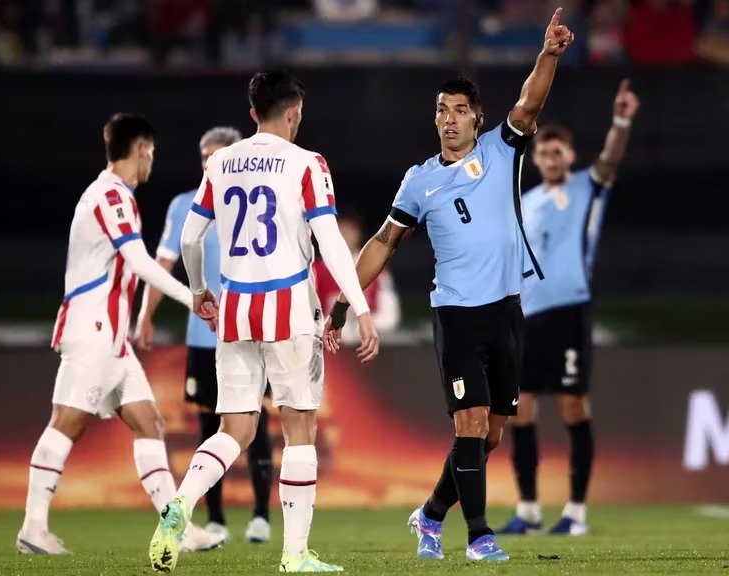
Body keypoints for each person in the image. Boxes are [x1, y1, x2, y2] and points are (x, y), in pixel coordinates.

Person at [324, 8, 575, 562]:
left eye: (460, 111)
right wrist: (344, 299)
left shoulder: (500, 150)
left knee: (489, 436)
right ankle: (480, 537)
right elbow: (384, 243)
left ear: (477, 119)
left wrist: (548, 55)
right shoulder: (420, 180)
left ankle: (432, 514)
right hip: (456, 312)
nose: (450, 119)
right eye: (442, 110)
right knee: (470, 422)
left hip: (507, 308)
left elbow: (530, 103)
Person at [148, 70, 379, 574]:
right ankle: (294, 556)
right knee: (300, 430)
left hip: (234, 306)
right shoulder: (307, 163)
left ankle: (180, 506)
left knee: (235, 428)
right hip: (289, 306)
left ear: (253, 113)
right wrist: (359, 307)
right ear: (294, 112)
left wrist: (199, 289)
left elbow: (190, 239)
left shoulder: (222, 162)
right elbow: (330, 241)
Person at [16, 113, 221, 555]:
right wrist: (194, 296)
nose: (153, 162)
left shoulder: (115, 195)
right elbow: (141, 260)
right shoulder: (110, 195)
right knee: (67, 422)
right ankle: (33, 528)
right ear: (143, 149)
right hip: (92, 328)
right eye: (153, 152)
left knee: (149, 421)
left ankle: (177, 528)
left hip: (110, 335)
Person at [499, 79, 639, 536]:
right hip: (529, 318)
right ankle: (529, 510)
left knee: (574, 407)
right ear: (536, 160)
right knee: (520, 410)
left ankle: (576, 512)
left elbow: (612, 159)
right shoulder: (527, 202)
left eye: (558, 152)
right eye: (544, 153)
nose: (551, 159)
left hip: (570, 312)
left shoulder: (588, 186)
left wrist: (620, 120)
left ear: (570, 157)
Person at [135, 125, 274, 545]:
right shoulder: (184, 205)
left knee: (257, 422)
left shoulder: (253, 201)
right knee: (209, 424)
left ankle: (261, 517)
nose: (211, 164)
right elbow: (161, 264)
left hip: (250, 327)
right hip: (203, 335)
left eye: (219, 156)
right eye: (204, 158)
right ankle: (213, 520)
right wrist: (146, 315)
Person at [313, 208, 401, 344]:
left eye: (349, 230)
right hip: (327, 346)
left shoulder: (377, 270)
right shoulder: (316, 270)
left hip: (368, 344)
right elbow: (306, 315)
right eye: (340, 229)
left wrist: (357, 329)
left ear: (358, 234)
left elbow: (390, 316)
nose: (344, 234)